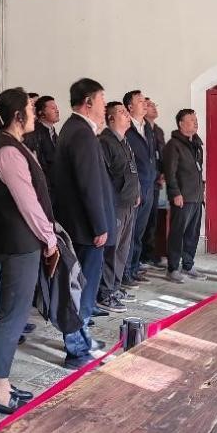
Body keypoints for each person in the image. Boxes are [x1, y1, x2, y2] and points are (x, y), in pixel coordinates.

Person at [0, 89, 58, 413]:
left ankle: (1, 382)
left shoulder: (14, 145)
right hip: (18, 243)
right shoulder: (7, 151)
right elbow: (27, 202)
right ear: (17, 116)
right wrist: (49, 237)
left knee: (14, 314)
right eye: (29, 107)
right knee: (11, 317)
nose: (34, 112)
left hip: (21, 242)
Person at [52, 78, 115, 370]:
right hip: (84, 228)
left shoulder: (77, 129)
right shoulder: (80, 133)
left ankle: (82, 337)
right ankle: (76, 349)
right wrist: (99, 226)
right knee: (80, 291)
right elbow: (89, 185)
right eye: (102, 99)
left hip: (79, 225)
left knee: (81, 288)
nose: (105, 105)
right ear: (88, 102)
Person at [96, 102, 140, 313]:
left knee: (123, 250)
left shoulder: (124, 140)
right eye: (122, 112)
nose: (127, 115)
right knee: (111, 251)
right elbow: (103, 177)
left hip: (129, 202)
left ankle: (115, 287)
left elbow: (130, 171)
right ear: (111, 118)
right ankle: (104, 293)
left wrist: (136, 192)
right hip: (116, 206)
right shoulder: (105, 142)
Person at [163, 109, 207, 283]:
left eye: (196, 119)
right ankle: (173, 268)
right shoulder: (173, 145)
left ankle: (188, 265)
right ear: (181, 124)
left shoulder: (196, 144)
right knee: (177, 234)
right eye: (191, 120)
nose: (195, 123)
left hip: (196, 197)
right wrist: (175, 193)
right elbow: (170, 172)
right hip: (182, 198)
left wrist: (202, 191)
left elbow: (197, 170)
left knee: (192, 234)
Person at [123, 90, 158, 287]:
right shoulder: (127, 130)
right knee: (129, 233)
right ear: (130, 107)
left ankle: (134, 268)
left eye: (145, 101)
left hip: (148, 187)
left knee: (139, 233)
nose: (145, 104)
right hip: (134, 190)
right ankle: (125, 272)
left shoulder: (148, 129)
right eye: (140, 101)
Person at [140, 97, 166, 268]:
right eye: (149, 105)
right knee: (142, 221)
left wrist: (163, 173)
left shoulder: (158, 131)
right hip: (145, 181)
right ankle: (141, 257)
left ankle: (149, 254)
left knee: (153, 220)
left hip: (156, 181)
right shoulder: (140, 130)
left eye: (154, 105)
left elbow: (161, 155)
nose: (153, 108)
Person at [23, 95, 60, 195]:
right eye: (52, 108)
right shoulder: (33, 134)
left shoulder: (53, 133)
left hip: (56, 187)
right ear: (41, 113)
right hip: (45, 189)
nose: (57, 111)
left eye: (56, 108)